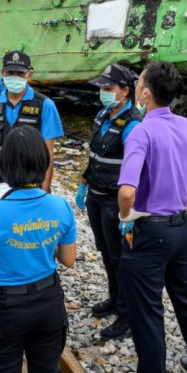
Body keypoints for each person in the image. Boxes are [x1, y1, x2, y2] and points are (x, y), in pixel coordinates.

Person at [117, 61, 187, 373]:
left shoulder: (142, 132)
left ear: (146, 94)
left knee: (148, 313)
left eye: (138, 83)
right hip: (180, 228)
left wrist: (126, 219)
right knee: (186, 299)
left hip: (149, 232)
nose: (137, 88)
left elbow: (127, 192)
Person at [0, 125, 77, 373]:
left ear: (5, 166)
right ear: (43, 162)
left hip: (5, 307)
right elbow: (68, 260)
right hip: (48, 301)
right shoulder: (61, 206)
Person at [76, 64, 141, 340]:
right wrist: (83, 182)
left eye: (108, 88)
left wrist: (130, 211)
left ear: (125, 91)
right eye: (101, 88)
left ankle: (127, 316)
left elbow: (136, 167)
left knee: (121, 258)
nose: (103, 92)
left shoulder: (133, 124)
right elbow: (95, 155)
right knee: (106, 252)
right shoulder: (103, 114)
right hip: (96, 196)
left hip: (115, 201)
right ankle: (115, 299)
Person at [0, 50, 63, 193]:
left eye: (20, 73)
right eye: (10, 73)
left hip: (30, 180)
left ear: (29, 75)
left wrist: (46, 188)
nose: (14, 77)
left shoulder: (45, 105)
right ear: (2, 74)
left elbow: (48, 153)